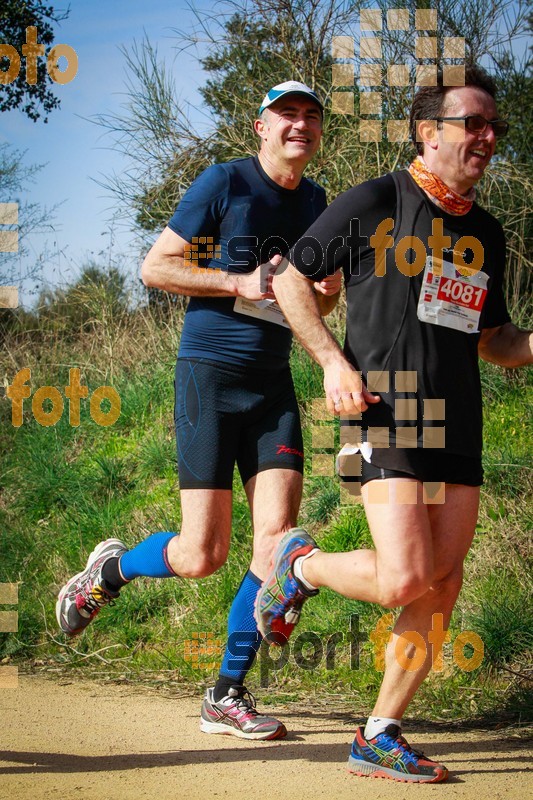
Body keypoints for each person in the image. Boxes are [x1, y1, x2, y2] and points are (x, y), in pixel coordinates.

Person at [257, 66, 532, 780]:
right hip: (378, 415)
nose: (486, 136)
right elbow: (290, 277)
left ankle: (378, 732)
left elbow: (496, 341)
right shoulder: (379, 198)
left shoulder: (486, 232)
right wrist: (328, 362)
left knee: (441, 582)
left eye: (492, 126)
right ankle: (300, 565)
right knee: (405, 576)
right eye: (471, 123)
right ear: (426, 132)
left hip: (457, 425)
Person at [56, 81, 341, 740]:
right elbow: (154, 267)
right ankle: (110, 570)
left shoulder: (320, 203)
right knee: (201, 553)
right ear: (260, 126)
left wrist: (326, 292)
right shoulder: (224, 182)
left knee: (275, 543)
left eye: (309, 117)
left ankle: (226, 693)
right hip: (208, 377)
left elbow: (313, 307)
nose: (299, 125)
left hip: (272, 384)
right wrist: (234, 280)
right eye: (286, 115)